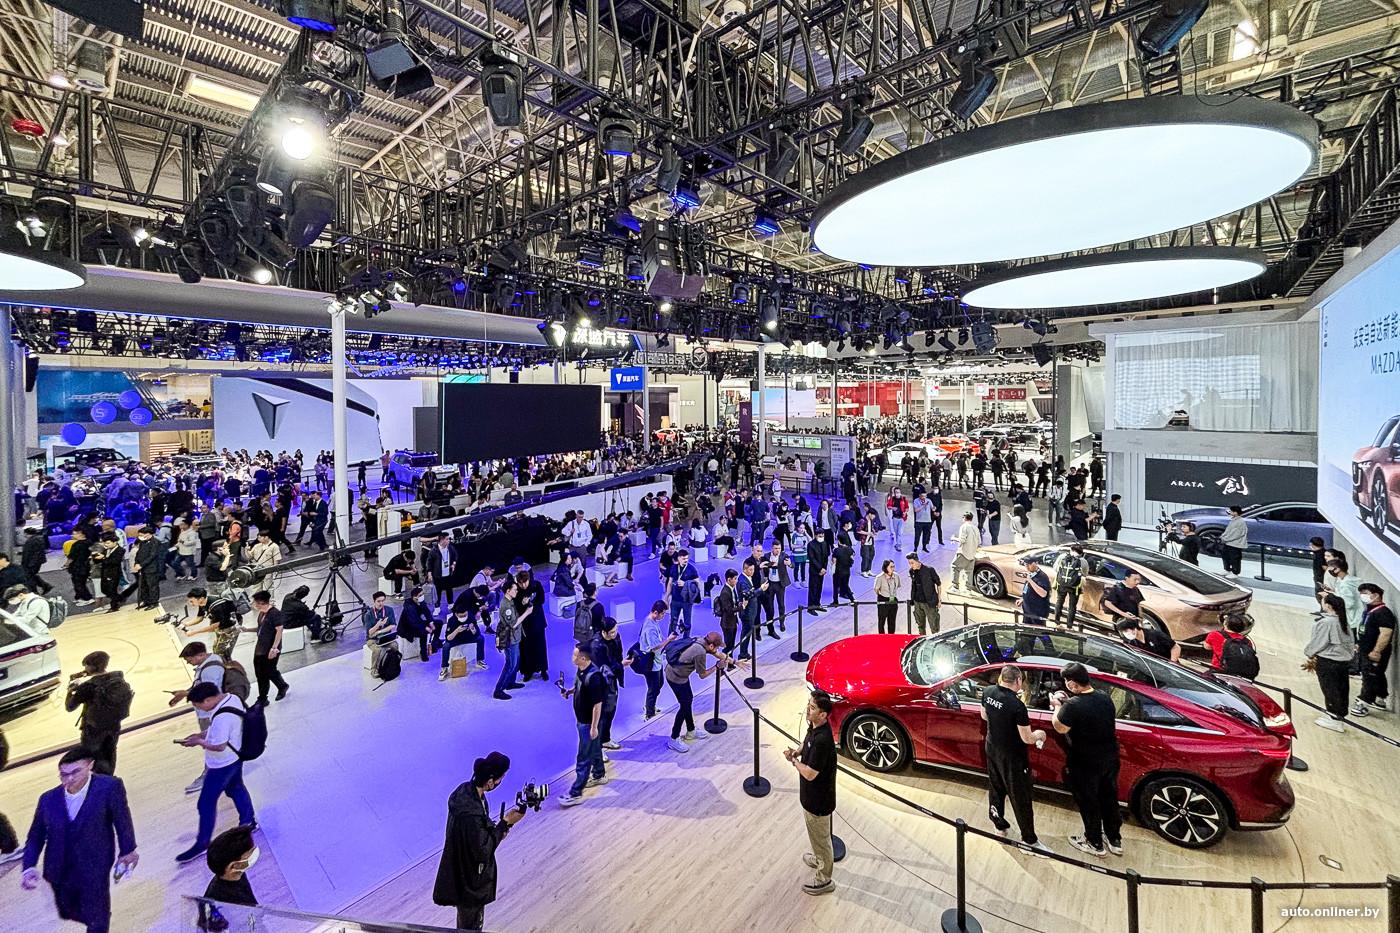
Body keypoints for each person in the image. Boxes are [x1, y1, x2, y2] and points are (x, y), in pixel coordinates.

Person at [18, 747, 139, 933]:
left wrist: (128, 850)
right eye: (63, 775)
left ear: (90, 765)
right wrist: (29, 867)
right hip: (59, 867)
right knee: (68, 910)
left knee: (98, 916)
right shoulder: (48, 799)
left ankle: (98, 921)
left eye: (75, 772)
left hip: (95, 863)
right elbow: (35, 836)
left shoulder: (109, 787)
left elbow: (122, 819)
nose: (69, 779)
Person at [433, 752, 524, 931]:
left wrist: (497, 829)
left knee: (466, 921)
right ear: (490, 781)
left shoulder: (465, 792)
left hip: (461, 870)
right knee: (471, 924)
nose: (500, 782)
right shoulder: (471, 814)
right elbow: (482, 851)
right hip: (470, 879)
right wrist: (505, 823)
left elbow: (477, 833)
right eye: (501, 778)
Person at [175, 681, 256, 863]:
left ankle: (202, 844)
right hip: (236, 757)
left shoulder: (222, 718)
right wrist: (201, 734)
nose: (199, 709)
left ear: (208, 700)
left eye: (198, 705)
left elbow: (219, 745)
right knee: (236, 789)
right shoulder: (231, 698)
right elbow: (221, 730)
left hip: (222, 765)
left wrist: (198, 742)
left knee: (205, 803)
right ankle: (248, 821)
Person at [1051, 662, 1122, 858]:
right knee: (1109, 797)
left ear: (1072, 684)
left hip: (1085, 763)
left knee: (1089, 801)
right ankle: (1114, 839)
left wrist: (1057, 706)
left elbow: (1060, 727)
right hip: (1110, 758)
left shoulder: (1073, 706)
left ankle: (1094, 842)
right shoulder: (1104, 697)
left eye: (1067, 681)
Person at [982, 665, 1050, 855]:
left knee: (996, 788)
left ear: (1001, 678)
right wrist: (1041, 734)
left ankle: (999, 825)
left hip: (992, 748)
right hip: (1012, 757)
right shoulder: (1017, 706)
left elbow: (984, 715)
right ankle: (1029, 841)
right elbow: (1027, 738)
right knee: (1020, 796)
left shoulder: (988, 692)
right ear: (1018, 681)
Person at [783, 690, 837, 896]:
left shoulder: (823, 740)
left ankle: (824, 879)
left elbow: (810, 774)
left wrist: (793, 761)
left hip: (819, 801)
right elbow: (806, 741)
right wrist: (797, 752)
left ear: (823, 714)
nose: (808, 709)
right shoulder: (814, 727)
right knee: (817, 838)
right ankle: (819, 858)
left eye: (812, 707)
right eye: (809, 704)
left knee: (821, 840)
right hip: (810, 797)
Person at [63, 652, 133, 776]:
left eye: (86, 665)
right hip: (113, 726)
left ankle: (96, 781)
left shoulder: (88, 686)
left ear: (92, 666)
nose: (85, 668)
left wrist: (70, 691)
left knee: (91, 759)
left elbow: (70, 707)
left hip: (93, 730)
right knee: (109, 754)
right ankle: (108, 780)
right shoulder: (117, 679)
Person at [559, 643, 610, 807]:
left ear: (582, 658)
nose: (572, 657)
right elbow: (580, 685)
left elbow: (597, 704)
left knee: (583, 756)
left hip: (588, 723)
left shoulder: (594, 677)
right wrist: (570, 691)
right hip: (583, 720)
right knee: (594, 749)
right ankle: (599, 774)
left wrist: (594, 727)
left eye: (575, 655)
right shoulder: (582, 670)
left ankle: (575, 793)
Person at [664, 631, 732, 753]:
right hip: (676, 678)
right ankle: (673, 739)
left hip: (680, 675)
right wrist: (717, 667)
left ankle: (691, 731)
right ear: (711, 645)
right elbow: (703, 675)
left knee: (687, 701)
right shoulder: (700, 652)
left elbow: (718, 654)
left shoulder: (700, 640)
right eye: (717, 647)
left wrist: (735, 662)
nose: (717, 650)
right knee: (684, 706)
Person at [1305, 593, 1354, 733]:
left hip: (1328, 662)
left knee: (1331, 689)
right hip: (1342, 662)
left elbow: (1319, 642)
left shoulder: (1327, 623)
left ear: (1328, 606)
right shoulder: (1343, 621)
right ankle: (1338, 716)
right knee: (1341, 690)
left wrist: (1309, 653)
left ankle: (1335, 718)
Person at [1354, 583, 1394, 716]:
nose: (1362, 596)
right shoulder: (1369, 610)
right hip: (1365, 649)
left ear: (1376, 595)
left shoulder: (1383, 613)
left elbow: (1386, 634)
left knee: (1369, 676)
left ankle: (1363, 702)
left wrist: (1377, 651)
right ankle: (1380, 698)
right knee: (1377, 674)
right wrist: (1360, 643)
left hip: (1375, 652)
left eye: (1365, 593)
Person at [589, 618, 629, 750]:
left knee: (610, 711)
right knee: (600, 715)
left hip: (612, 679)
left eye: (616, 630)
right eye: (612, 632)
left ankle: (605, 739)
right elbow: (603, 668)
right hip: (600, 682)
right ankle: (597, 747)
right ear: (604, 632)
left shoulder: (616, 637)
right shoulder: (596, 646)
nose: (615, 634)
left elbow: (618, 654)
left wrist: (620, 664)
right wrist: (620, 665)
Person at [242, 591, 288, 706]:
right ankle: (263, 697)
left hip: (270, 647)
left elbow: (279, 630)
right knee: (260, 673)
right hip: (260, 647)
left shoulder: (275, 613)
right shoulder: (262, 613)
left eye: (255, 602)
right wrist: (247, 630)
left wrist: (274, 648)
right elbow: (261, 628)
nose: (253, 604)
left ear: (261, 603)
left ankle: (281, 686)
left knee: (270, 670)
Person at [201, 826, 258, 909]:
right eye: (251, 852)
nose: (255, 852)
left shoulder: (238, 874)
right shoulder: (227, 902)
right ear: (234, 866)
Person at [636, 600, 674, 720]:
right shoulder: (650, 627)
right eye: (663, 614)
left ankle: (650, 705)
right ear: (656, 612)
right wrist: (668, 640)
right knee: (653, 688)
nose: (663, 616)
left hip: (657, 660)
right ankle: (649, 712)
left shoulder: (652, 621)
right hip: (651, 662)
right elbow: (654, 646)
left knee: (658, 684)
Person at [491, 579, 524, 700]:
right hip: (510, 639)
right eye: (515, 589)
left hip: (515, 637)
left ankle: (510, 682)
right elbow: (513, 623)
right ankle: (498, 690)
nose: (517, 591)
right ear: (508, 591)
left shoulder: (510, 601)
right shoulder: (506, 605)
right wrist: (527, 613)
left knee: (516, 661)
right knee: (510, 664)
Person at [665, 548, 701, 637]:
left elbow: (697, 583)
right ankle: (670, 640)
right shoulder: (673, 568)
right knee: (673, 621)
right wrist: (666, 597)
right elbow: (670, 583)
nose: (686, 560)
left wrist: (685, 583)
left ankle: (686, 640)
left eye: (687, 558)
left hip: (687, 601)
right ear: (679, 558)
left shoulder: (691, 569)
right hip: (675, 600)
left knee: (687, 623)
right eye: (684, 558)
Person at [906, 553, 941, 635]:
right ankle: (922, 639)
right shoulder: (911, 571)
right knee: (920, 625)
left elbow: (938, 584)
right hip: (917, 602)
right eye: (909, 563)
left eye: (912, 563)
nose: (911, 565)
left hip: (929, 603)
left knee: (934, 626)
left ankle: (936, 640)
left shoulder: (929, 570)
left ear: (917, 561)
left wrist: (939, 600)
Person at [64, 527, 96, 607]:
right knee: (82, 582)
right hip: (87, 565)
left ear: (81, 534)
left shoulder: (76, 545)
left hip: (77, 566)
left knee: (78, 583)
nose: (72, 535)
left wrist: (66, 564)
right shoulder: (89, 542)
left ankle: (87, 598)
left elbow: (71, 557)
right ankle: (79, 596)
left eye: (74, 534)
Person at [426, 532, 458, 611]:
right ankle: (437, 607)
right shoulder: (433, 551)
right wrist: (429, 574)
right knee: (438, 592)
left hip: (448, 573)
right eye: (447, 539)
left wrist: (453, 564)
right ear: (442, 540)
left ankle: (451, 604)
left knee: (449, 589)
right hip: (438, 575)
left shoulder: (450, 548)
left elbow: (455, 555)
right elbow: (429, 563)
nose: (449, 540)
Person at [1016, 555, 1052, 627]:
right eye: (1026, 564)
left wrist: (1029, 580)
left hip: (1037, 612)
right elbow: (1028, 589)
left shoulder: (1042, 576)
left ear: (1036, 563)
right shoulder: (1031, 574)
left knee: (1039, 631)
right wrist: (1022, 599)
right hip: (1027, 610)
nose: (1027, 567)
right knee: (1026, 630)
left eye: (1029, 564)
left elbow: (1043, 594)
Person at [951, 512, 979, 592]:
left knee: (954, 567)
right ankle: (968, 589)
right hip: (973, 553)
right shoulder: (975, 528)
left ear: (964, 518)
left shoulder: (964, 526)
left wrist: (953, 538)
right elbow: (979, 541)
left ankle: (955, 587)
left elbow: (962, 540)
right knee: (969, 571)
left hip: (964, 552)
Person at [20, 527, 53, 595]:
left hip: (32, 562)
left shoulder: (32, 541)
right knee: (31, 575)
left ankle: (34, 591)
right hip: (35, 562)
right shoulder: (38, 539)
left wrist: (28, 563)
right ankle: (45, 586)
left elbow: (31, 553)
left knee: (29, 577)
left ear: (27, 533)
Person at [804, 530, 829, 613]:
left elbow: (826, 557)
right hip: (814, 570)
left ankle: (817, 604)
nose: (821, 537)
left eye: (822, 535)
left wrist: (824, 568)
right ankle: (811, 607)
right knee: (813, 588)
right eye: (820, 535)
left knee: (819, 588)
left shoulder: (825, 543)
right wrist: (820, 569)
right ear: (815, 535)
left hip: (822, 571)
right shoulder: (811, 545)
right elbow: (812, 558)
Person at [1220, 505, 1247, 577]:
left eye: (1231, 511)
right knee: (1226, 556)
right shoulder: (1233, 520)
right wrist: (1223, 536)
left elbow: (1236, 534)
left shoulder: (1240, 522)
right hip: (1228, 543)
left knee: (1235, 559)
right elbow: (1228, 531)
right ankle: (1227, 569)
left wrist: (1225, 539)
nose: (1230, 512)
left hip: (1235, 544)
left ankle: (1235, 572)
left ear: (1235, 512)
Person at [874, 559, 900, 634]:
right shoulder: (879, 577)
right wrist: (882, 595)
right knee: (882, 621)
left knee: (892, 620)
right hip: (883, 599)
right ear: (886, 567)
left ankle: (891, 637)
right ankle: (882, 637)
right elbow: (876, 589)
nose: (893, 568)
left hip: (893, 599)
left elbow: (897, 586)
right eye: (891, 567)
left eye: (893, 566)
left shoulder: (896, 576)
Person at [829, 533, 855, 606]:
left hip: (838, 571)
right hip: (847, 571)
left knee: (836, 586)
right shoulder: (850, 549)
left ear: (839, 541)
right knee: (845, 585)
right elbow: (852, 557)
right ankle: (852, 600)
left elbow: (834, 561)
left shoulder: (836, 550)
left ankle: (835, 602)